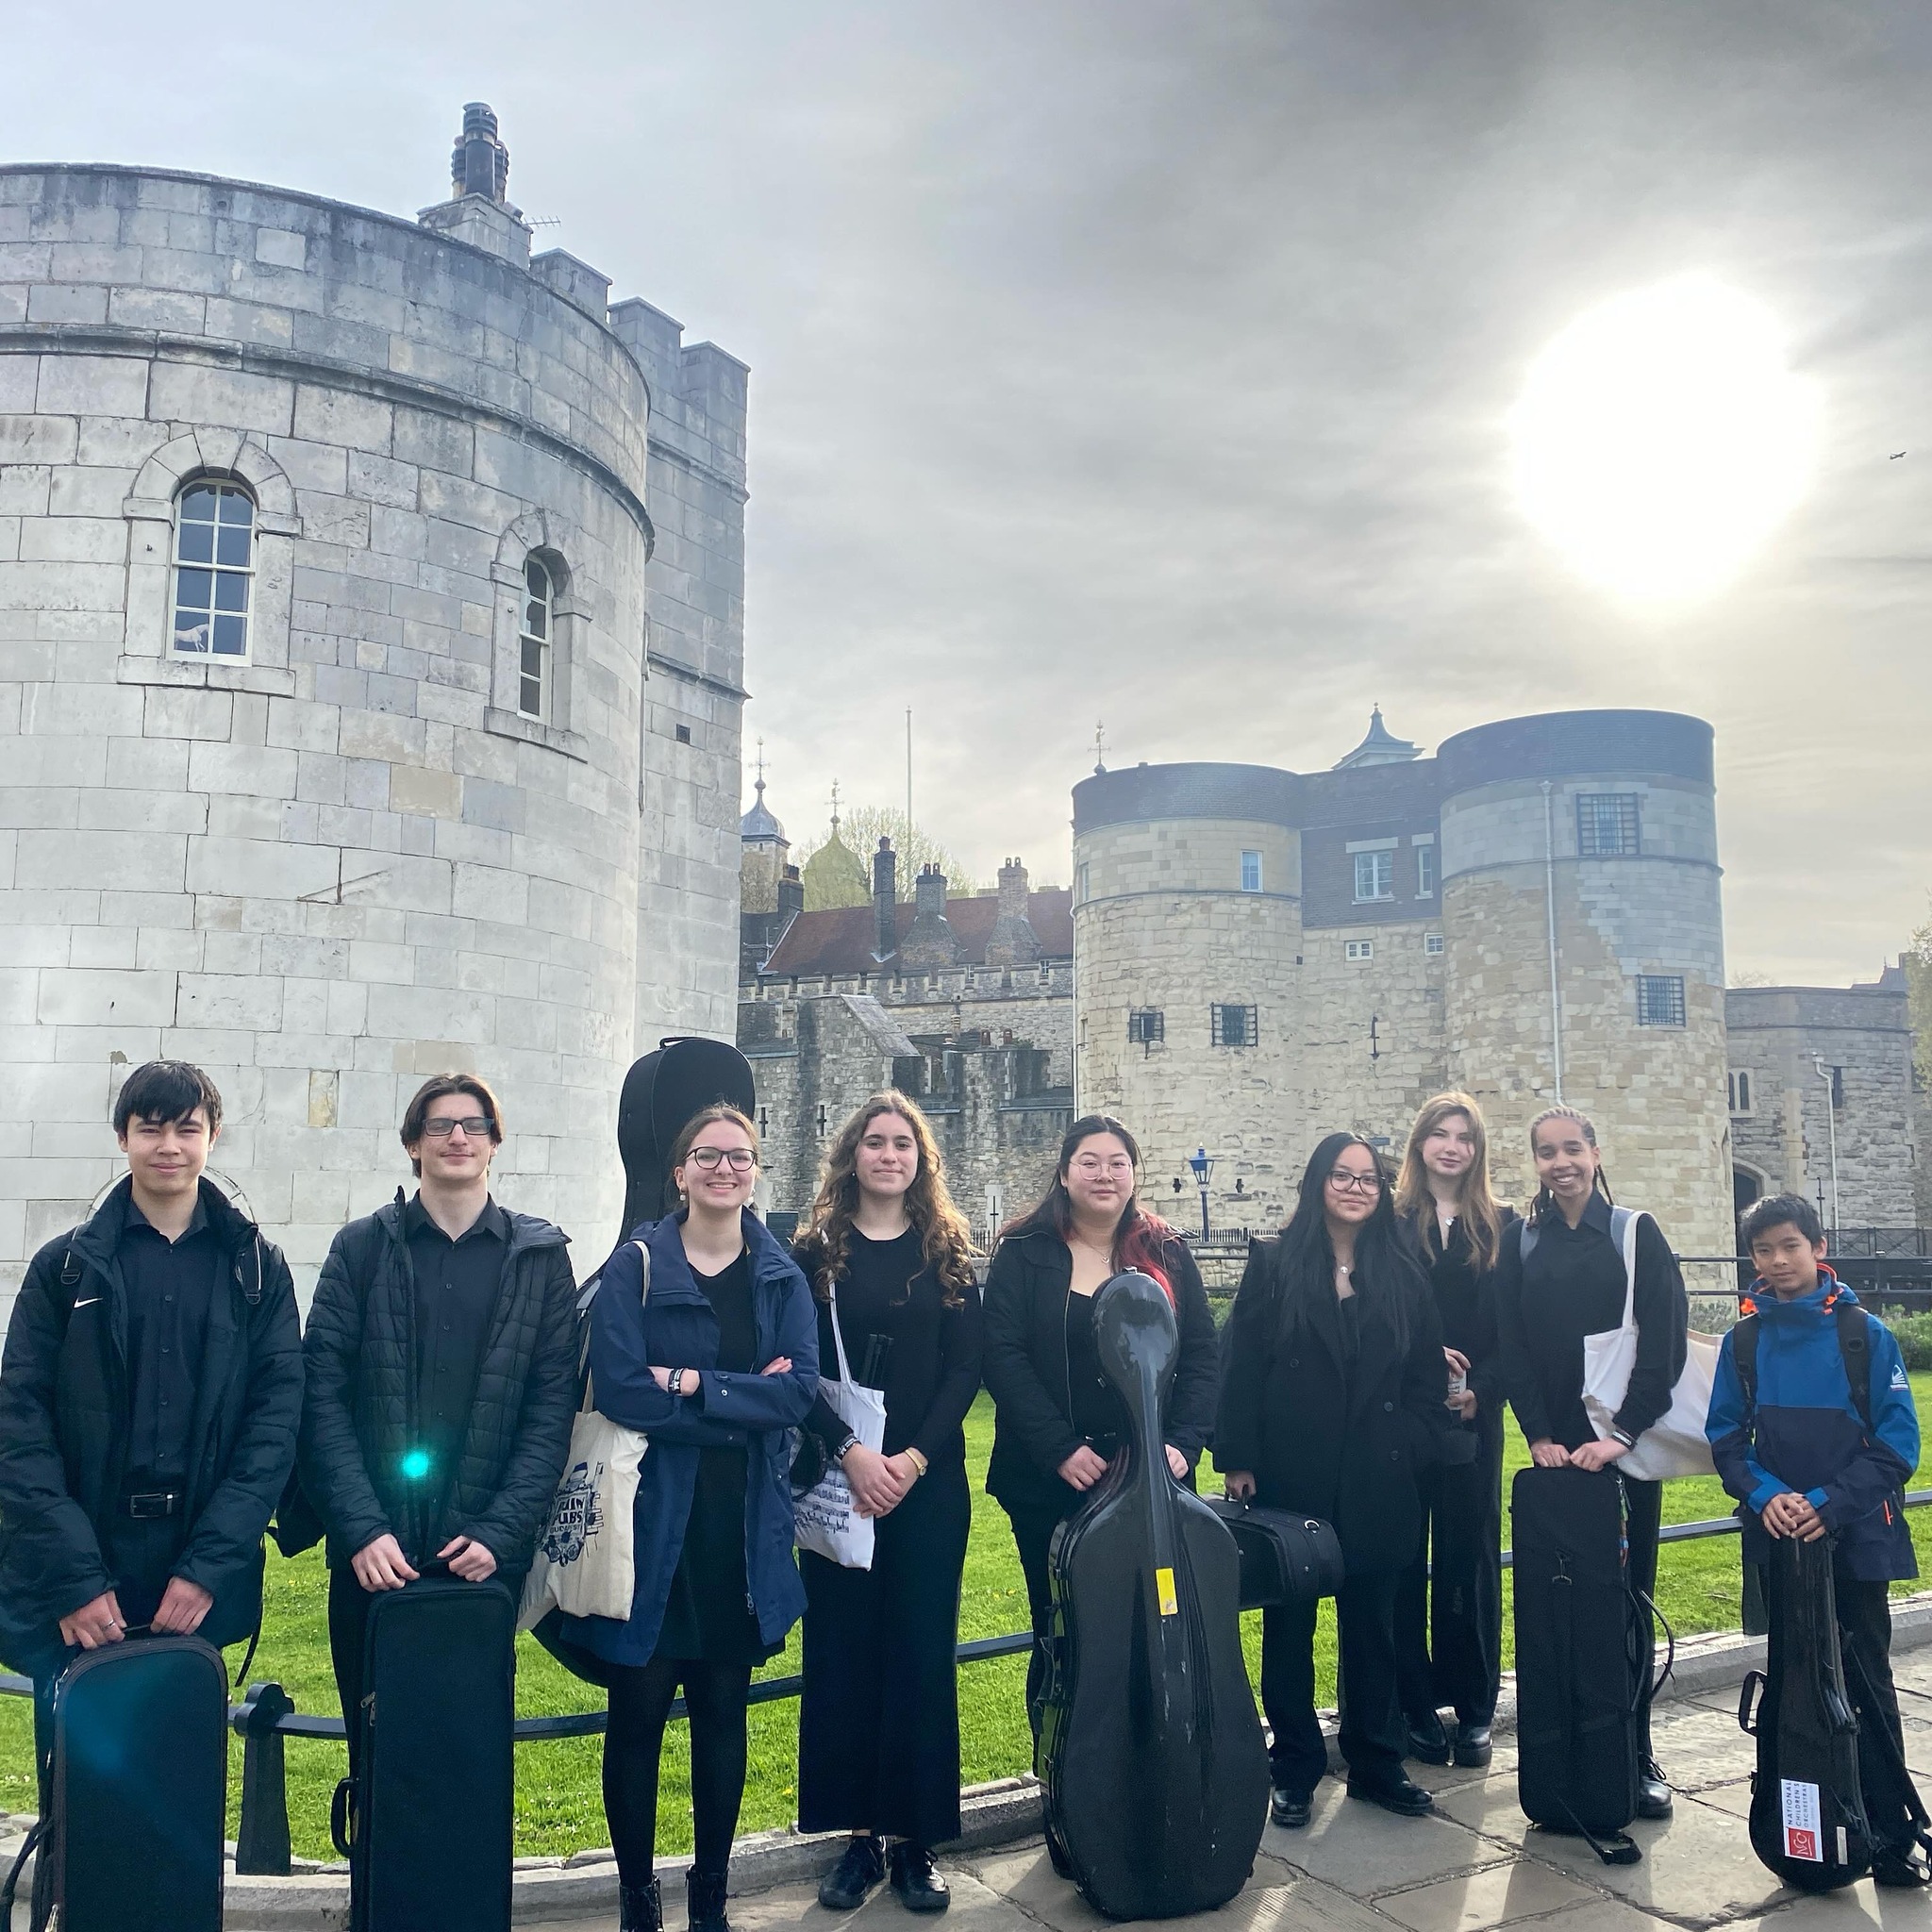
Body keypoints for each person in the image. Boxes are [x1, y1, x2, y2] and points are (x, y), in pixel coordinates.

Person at [0, 1059, 303, 1899]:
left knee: (178, 1797)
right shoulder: (64, 1269)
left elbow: (274, 1428)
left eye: (187, 1127)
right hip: (87, 1563)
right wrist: (73, 1579)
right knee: (81, 1799)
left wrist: (208, 1569)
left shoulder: (258, 1271)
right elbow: (19, 1430)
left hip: (192, 1570)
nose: (169, 1145)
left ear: (212, 1136)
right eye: (151, 1127)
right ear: (123, 1137)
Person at [555, 1105, 818, 1932]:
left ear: (755, 1171)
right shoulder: (635, 1267)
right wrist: (741, 1400)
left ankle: (711, 1898)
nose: (724, 1169)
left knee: (721, 1715)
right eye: (707, 1155)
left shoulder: (780, 1276)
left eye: (739, 1157)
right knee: (636, 1716)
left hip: (738, 1530)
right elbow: (623, 1391)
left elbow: (797, 1394)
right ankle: (638, 1900)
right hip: (649, 1525)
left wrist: (692, 1383)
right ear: (680, 1171)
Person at [298, 1074, 579, 1780]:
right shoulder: (360, 1249)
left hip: (480, 1559)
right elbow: (321, 1398)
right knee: (376, 1760)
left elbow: (549, 1414)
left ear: (494, 1143)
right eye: (440, 1125)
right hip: (373, 1558)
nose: (458, 1137)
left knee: (467, 1764)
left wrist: (499, 1534)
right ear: (412, 1145)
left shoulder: (541, 1260)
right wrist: (361, 1530)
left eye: (474, 1124)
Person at [1216, 1132, 1466, 1826]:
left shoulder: (1403, 1272)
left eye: (1368, 1179)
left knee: (1373, 1627)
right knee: (1289, 1628)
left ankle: (1376, 1762)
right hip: (1293, 1473)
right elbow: (1242, 1367)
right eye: (1342, 1176)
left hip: (1379, 1475)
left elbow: (1425, 1378)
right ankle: (1294, 1766)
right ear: (1317, 1183)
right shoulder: (1274, 1265)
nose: (1356, 1189)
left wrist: (1411, 1443)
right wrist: (1239, 1459)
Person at [792, 1094, 984, 1915]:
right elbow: (793, 1367)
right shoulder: (814, 1254)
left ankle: (915, 1841)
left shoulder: (947, 1252)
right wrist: (851, 1452)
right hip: (841, 1481)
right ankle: (858, 1838)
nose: (888, 1155)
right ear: (853, 1154)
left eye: (903, 1143)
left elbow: (966, 1369)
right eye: (874, 1142)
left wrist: (909, 1460)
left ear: (921, 1159)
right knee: (844, 1657)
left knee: (918, 1656)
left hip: (926, 1485)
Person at [1706, 1193, 1927, 1889]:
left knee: (1866, 1680)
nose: (1778, 1261)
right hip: (1778, 1536)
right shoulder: (1743, 1342)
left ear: (1818, 1247)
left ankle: (1889, 1834)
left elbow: (1898, 1445)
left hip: (1855, 1535)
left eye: (1790, 1246)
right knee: (1795, 1680)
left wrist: (1828, 1505)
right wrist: (1769, 1496)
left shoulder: (1864, 1336)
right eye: (1763, 1250)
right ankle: (1802, 1828)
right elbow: (1726, 1439)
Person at [982, 1115, 1219, 1748]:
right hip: (1050, 1482)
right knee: (1062, 1631)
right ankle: (1069, 1774)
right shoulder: (1025, 1252)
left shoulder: (1166, 1252)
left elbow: (1202, 1354)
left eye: (1118, 1162)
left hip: (1149, 1481)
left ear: (1134, 1174)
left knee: (1150, 1626)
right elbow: (1003, 1356)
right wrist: (1059, 1448)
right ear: (1064, 1173)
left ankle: (1150, 1770)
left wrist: (1182, 1443)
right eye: (1089, 1161)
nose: (1104, 1174)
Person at [1493, 1104, 1687, 1822]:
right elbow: (1511, 1343)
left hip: (1622, 1449)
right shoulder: (1521, 1241)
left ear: (1595, 1153)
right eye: (1547, 1152)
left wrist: (1624, 1434)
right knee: (1557, 1606)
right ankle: (1568, 1754)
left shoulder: (1634, 1233)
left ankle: (1633, 1754)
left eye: (1572, 1148)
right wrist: (1538, 1435)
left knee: (1628, 1601)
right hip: (1555, 1455)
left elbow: (1664, 1341)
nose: (1561, 1163)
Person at [1391, 1093, 1516, 1772]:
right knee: (1404, 1556)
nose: (1451, 1147)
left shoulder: (1502, 1226)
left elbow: (1515, 1330)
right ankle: (1413, 1703)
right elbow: (1375, 1314)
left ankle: (1473, 1706)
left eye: (1464, 1137)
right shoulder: (1389, 1222)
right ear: (1420, 1143)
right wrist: (1421, 1360)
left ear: (1477, 1150)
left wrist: (1482, 1390)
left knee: (1471, 1558)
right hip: (1404, 1415)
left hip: (1473, 1416)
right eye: (1439, 1134)